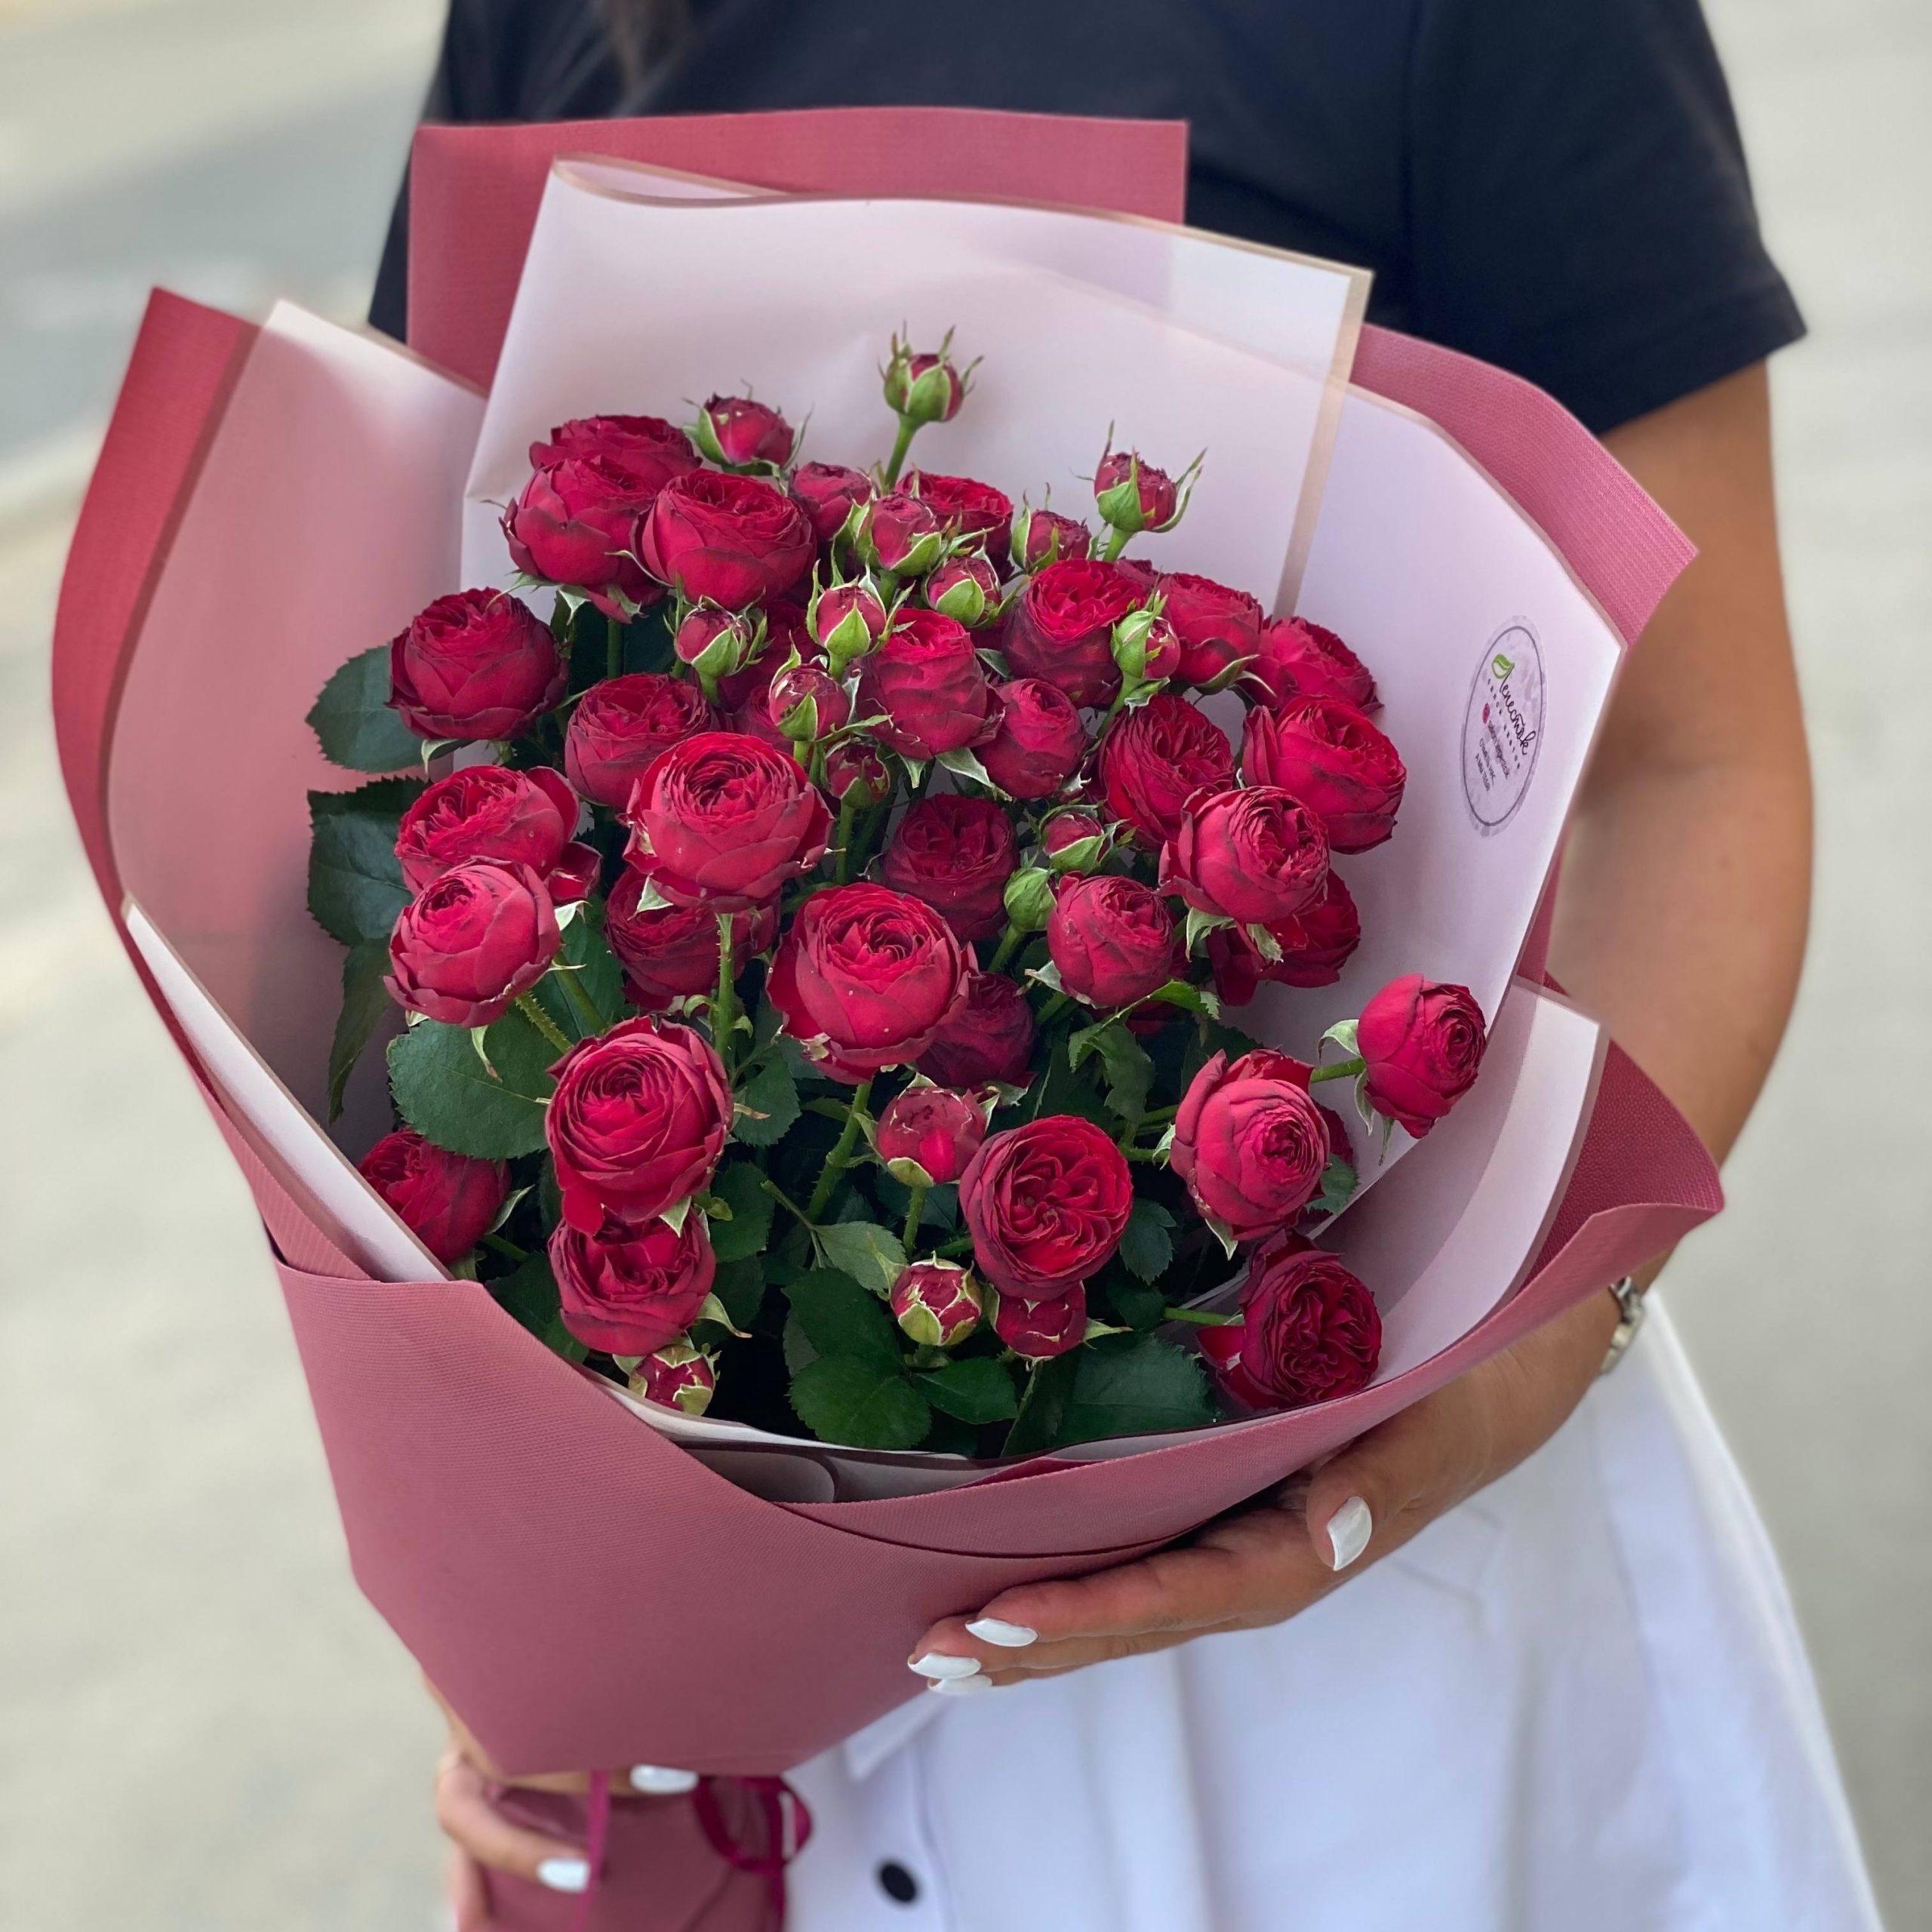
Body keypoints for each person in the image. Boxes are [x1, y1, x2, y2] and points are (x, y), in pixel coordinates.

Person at [377, 5, 1883, 1927]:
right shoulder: (549, 17)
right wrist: (487, 1571)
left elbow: (1692, 771)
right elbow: (430, 711)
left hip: (1335, 1604)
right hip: (724, 1664)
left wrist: (1489, 1395)